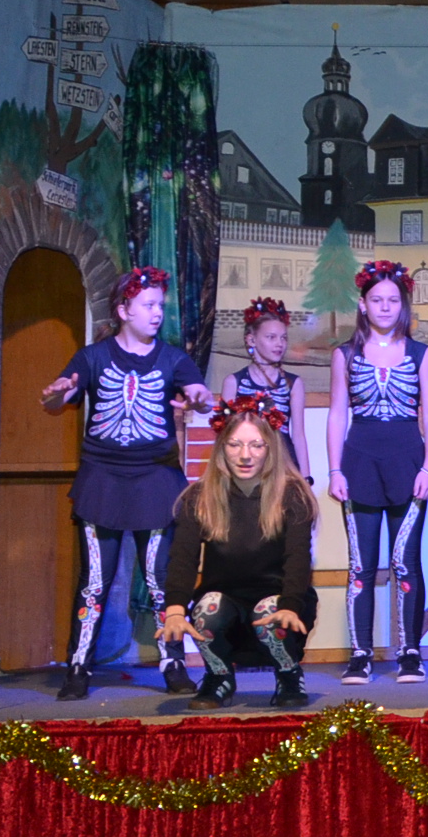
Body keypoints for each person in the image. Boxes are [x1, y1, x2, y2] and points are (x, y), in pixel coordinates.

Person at [40, 266, 211, 701]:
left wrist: (199, 397)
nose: (157, 313)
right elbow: (61, 398)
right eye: (148, 305)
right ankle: (78, 665)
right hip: (103, 481)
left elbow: (198, 392)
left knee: (160, 581)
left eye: (160, 306)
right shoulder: (92, 357)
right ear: (123, 310)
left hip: (156, 480)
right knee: (95, 582)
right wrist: (57, 393)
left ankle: (173, 663)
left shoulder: (172, 359)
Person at [158, 394, 316, 710]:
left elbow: (299, 558)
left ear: (270, 449)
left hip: (277, 604)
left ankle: (288, 675)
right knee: (207, 609)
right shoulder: (198, 497)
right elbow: (183, 558)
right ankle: (219, 678)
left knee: (271, 612)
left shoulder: (293, 494)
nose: (245, 455)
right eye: (235, 445)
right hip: (226, 606)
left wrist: (290, 605)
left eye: (256, 445)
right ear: (222, 448)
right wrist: (174, 609)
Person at [326, 260, 428, 685]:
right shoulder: (344, 355)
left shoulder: (421, 354)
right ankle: (360, 654)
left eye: (393, 300)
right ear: (363, 304)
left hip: (408, 461)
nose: (386, 307)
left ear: (403, 304)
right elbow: (337, 414)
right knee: (361, 564)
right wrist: (335, 469)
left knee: (405, 561)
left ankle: (409, 652)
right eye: (377, 300)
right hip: (359, 461)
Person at [221, 297, 310, 482]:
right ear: (251, 340)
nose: (279, 344)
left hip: (283, 465)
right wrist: (223, 475)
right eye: (271, 337)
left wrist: (306, 478)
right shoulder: (234, 382)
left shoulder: (293, 383)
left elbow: (298, 435)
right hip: (246, 464)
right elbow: (225, 435)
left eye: (283, 338)